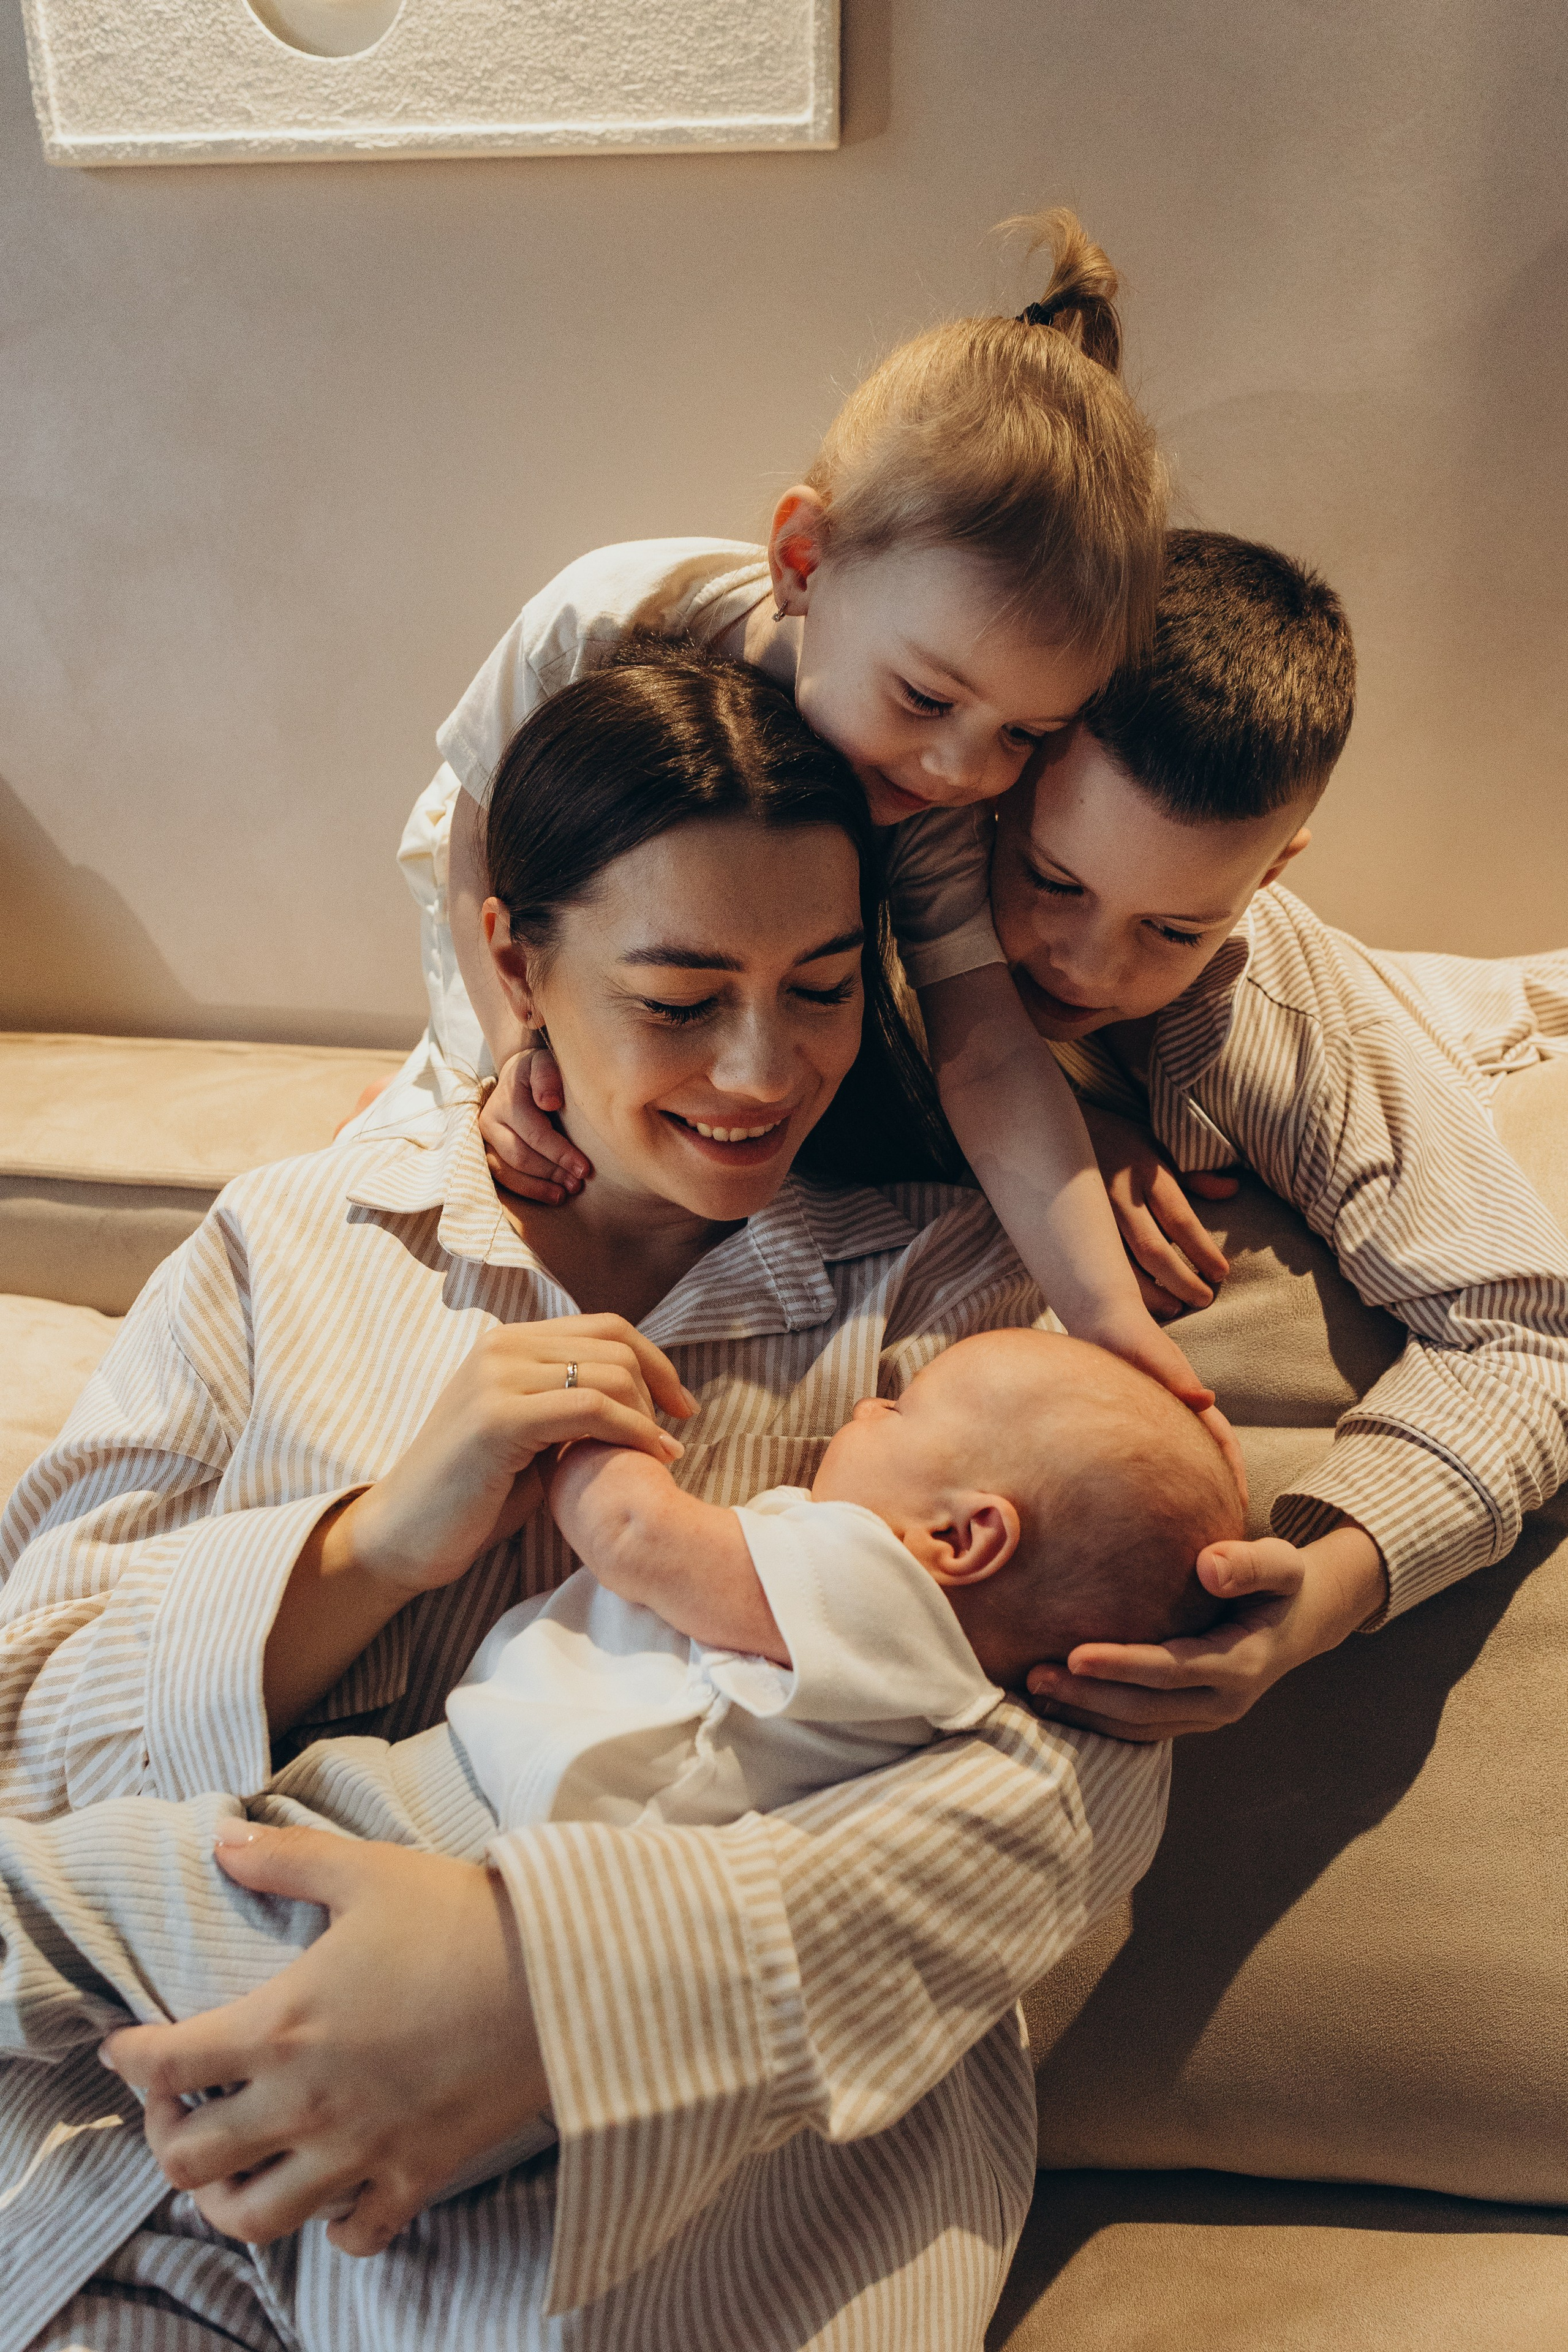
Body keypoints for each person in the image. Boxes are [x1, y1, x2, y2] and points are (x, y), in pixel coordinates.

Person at [0, 647, 1174, 2352]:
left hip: (684, 2215)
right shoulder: (293, 1243)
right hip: (163, 2174)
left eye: (828, 987)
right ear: (514, 960)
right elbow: (22, 1729)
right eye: (683, 999)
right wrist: (369, 1547)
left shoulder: (953, 1300)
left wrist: (557, 1991)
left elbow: (1070, 1805)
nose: (766, 1071)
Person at [0, 1332, 1240, 2221]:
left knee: (70, 1895)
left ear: (964, 1537)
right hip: (547, 2100)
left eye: (896, 1413)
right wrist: (374, 1539)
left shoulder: (870, 1580)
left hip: (440, 1843)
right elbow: (33, 1690)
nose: (862, 1414)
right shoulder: (939, 1677)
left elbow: (643, 1541)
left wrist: (597, 1443)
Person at [344, 206, 1215, 1414]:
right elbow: (477, 853)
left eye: (1021, 734)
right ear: (802, 562)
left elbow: (984, 1049)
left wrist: (1103, 1318)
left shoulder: (932, 802)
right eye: (924, 697)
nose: (964, 769)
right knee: (495, 1126)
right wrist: (506, 1053)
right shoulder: (600, 612)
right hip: (524, 896)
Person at [981, 528, 1568, 1746]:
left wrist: (1328, 1594)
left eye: (1172, 928)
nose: (1087, 962)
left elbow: (1526, 1338)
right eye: (1051, 880)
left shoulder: (1280, 1010)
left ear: (1267, 874)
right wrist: (1065, 1114)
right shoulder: (896, 839)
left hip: (1468, 1034)